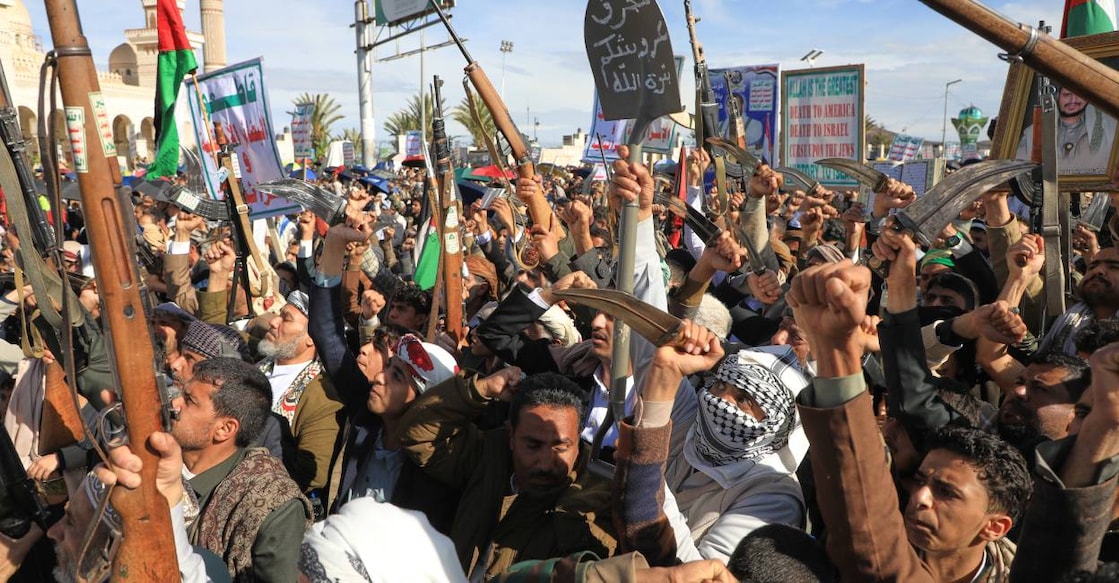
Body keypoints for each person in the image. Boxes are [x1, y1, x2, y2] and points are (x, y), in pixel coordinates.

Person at [399, 369, 619, 579]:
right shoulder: (488, 456)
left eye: (560, 447)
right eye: (533, 445)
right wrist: (481, 389)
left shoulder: (598, 500)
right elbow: (417, 436)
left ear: (578, 441)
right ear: (511, 435)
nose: (545, 462)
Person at [171, 357, 311, 581]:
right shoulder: (156, 460)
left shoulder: (273, 505)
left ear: (225, 429)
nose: (175, 404)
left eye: (189, 401)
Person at [256, 290, 345, 504]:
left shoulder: (323, 396)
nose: (274, 321)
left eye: (286, 318)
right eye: (279, 313)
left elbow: (312, 475)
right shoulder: (258, 367)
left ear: (311, 339)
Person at [1016, 87, 1117, 175]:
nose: (1073, 100)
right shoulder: (1032, 133)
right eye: (1067, 95)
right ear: (1057, 96)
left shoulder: (1107, 129)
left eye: (1079, 95)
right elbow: (1020, 171)